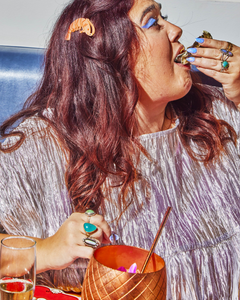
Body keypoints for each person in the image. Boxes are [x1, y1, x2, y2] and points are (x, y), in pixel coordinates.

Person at [0, 0, 240, 298]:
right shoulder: (42, 148)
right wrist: (46, 250)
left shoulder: (223, 114)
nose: (177, 30)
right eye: (153, 23)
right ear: (110, 58)